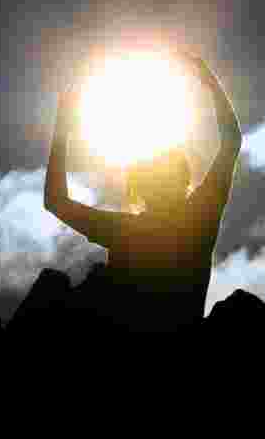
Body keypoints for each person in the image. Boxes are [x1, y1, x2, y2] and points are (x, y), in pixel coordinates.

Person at [43, 50, 242, 336]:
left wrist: (62, 129)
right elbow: (232, 140)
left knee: (64, 288)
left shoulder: (132, 230)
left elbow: (55, 202)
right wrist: (208, 80)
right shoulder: (200, 215)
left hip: (142, 339)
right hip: (172, 335)